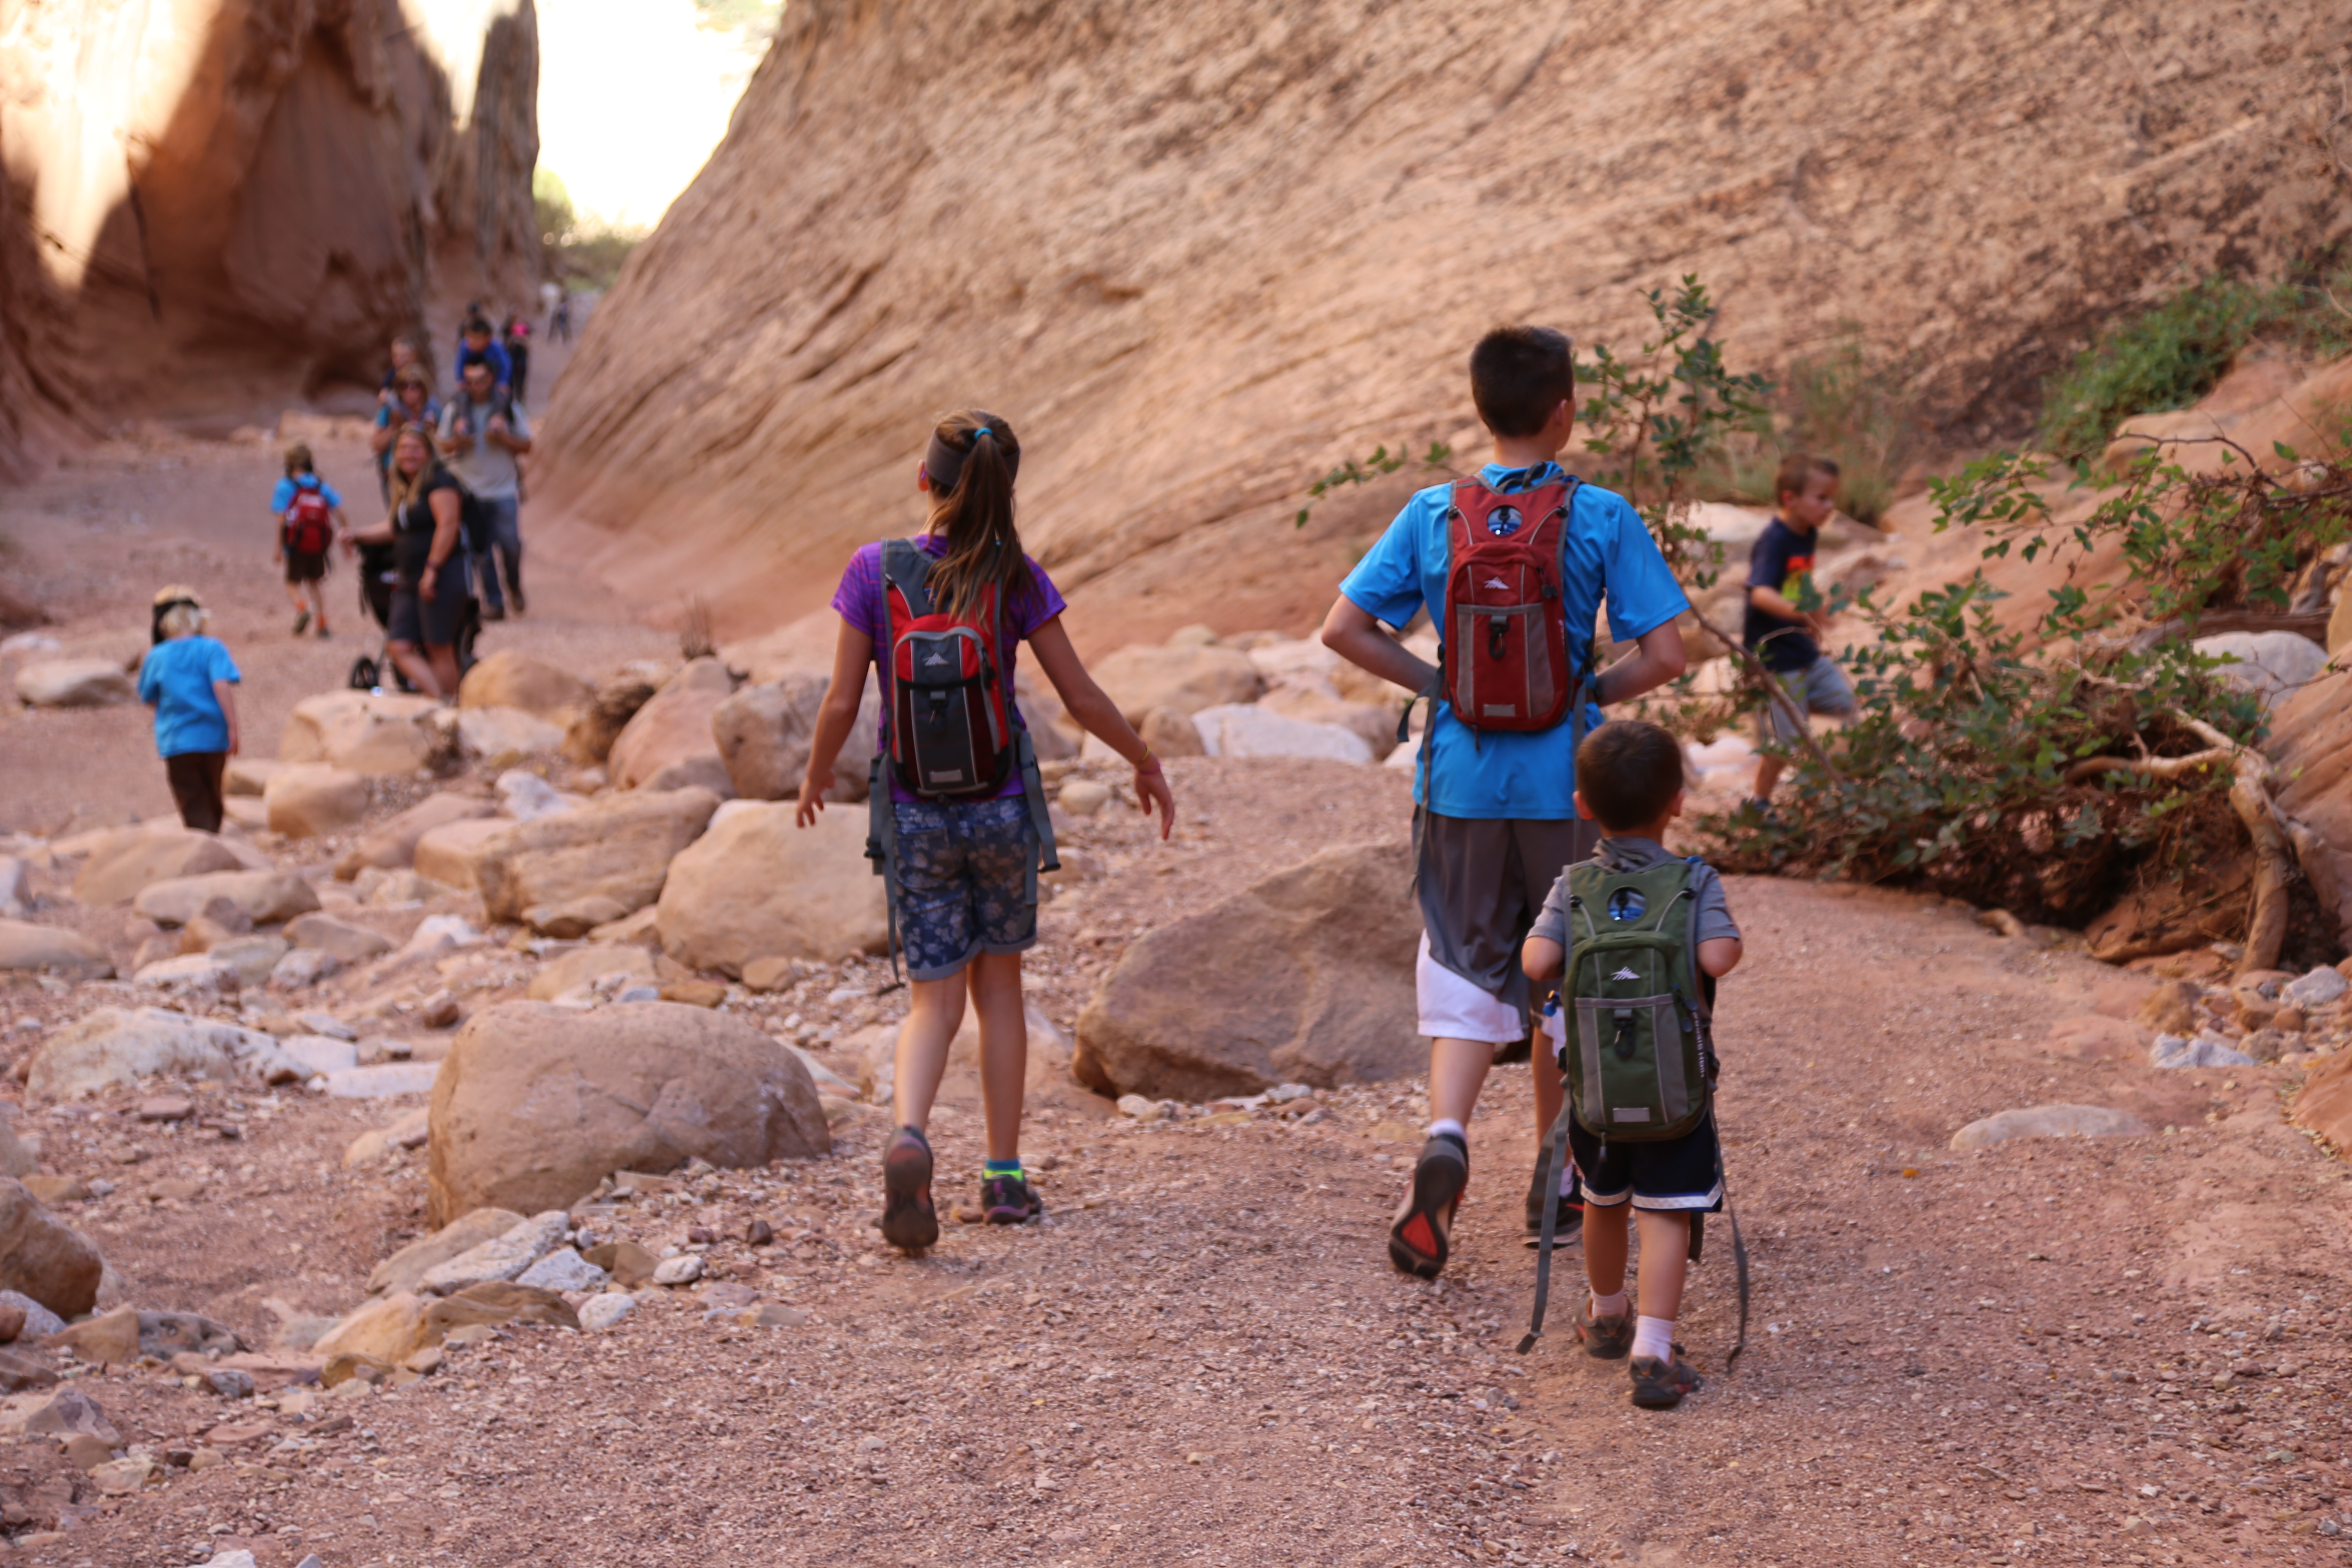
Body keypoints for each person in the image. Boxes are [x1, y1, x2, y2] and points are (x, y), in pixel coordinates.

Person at [1319, 324, 1690, 1279]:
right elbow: (1664, 655)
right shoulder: (1602, 515)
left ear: (1481, 411)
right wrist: (1585, 696)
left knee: (1459, 958)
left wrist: (1439, 687)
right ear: (1564, 411)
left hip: (1461, 780)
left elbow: (1344, 629)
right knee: (1567, 962)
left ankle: (1446, 1133)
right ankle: (1559, 1177)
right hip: (1569, 782)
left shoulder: (1432, 512)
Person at [795, 410, 1175, 1253]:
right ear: (1007, 488)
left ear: (924, 482)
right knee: (999, 990)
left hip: (916, 811)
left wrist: (818, 773)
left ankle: (911, 1136)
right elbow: (1079, 696)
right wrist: (1142, 759)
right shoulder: (1015, 575)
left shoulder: (874, 569)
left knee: (934, 999)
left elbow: (843, 702)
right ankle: (1003, 1175)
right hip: (1002, 807)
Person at [1520, 719, 1743, 1409]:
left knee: (1602, 1201)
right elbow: (1718, 958)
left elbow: (1535, 962)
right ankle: (1653, 1347)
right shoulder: (1694, 880)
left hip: (1594, 1094)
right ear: (1678, 801)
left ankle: (1606, 1314)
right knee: (1666, 1213)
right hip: (1673, 1089)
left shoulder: (1572, 883)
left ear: (1582, 804)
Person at [1743, 453, 1857, 808]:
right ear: (1790, 499)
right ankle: (1758, 803)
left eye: (1832, 497)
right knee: (1783, 741)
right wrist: (1800, 613)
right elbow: (1760, 593)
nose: (1830, 506)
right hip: (1776, 659)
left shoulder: (1806, 534)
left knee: (1847, 705)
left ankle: (1843, 786)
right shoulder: (1774, 540)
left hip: (1803, 652)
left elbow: (1796, 581)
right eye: (1821, 498)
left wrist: (1814, 615)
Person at [352, 424, 468, 698]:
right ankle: (439, 702)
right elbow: (397, 527)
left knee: (437, 646)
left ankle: (448, 710)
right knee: (399, 645)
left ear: (429, 452)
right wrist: (357, 535)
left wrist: (432, 569)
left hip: (439, 576)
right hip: (408, 578)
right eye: (403, 449)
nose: (408, 455)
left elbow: (448, 525)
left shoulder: (440, 482)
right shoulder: (408, 489)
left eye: (416, 449)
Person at [137, 587, 240, 833]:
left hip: (177, 739)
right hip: (214, 736)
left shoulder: (157, 656)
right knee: (213, 792)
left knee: (191, 796)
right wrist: (233, 726)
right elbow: (221, 685)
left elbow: (149, 697)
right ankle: (212, 839)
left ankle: (205, 844)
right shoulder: (212, 648)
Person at [439, 358, 531, 619]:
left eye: (481, 380)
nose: (476, 387)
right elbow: (442, 446)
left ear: (491, 379)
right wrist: (458, 438)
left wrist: (504, 436)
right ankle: (494, 603)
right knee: (482, 551)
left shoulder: (508, 408)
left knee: (511, 545)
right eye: (470, 381)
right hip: (470, 491)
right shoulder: (456, 409)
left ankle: (514, 584)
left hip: (503, 491)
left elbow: (527, 446)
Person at [269, 443, 346, 637]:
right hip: (318, 544)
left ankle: (302, 608)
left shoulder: (285, 485)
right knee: (315, 583)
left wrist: (278, 547)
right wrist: (346, 533)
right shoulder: (320, 485)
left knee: (292, 582)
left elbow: (280, 518)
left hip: (295, 543)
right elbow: (339, 510)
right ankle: (322, 623)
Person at [371, 371, 441, 505]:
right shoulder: (390, 410)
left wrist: (432, 431)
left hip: (428, 475)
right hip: (397, 475)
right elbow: (376, 445)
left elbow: (445, 446)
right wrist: (393, 427)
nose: (409, 391)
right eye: (404, 386)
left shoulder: (433, 411)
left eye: (415, 386)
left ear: (423, 388)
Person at [453, 315, 512, 394]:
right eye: (470, 339)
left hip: (494, 383)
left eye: (477, 339)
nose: (473, 343)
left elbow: (505, 366)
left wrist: (502, 383)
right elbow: (460, 365)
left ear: (488, 338)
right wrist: (462, 381)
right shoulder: (465, 347)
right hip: (472, 383)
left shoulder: (496, 347)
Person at [377, 336, 421, 404]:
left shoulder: (419, 373)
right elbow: (385, 389)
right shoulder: (393, 374)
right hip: (399, 405)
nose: (400, 360)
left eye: (404, 356)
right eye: (396, 356)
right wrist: (384, 395)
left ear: (413, 357)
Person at [503, 316, 533, 405]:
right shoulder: (513, 344)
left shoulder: (520, 345)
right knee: (515, 387)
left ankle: (518, 404)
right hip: (515, 367)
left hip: (518, 367)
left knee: (518, 387)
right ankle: (515, 404)